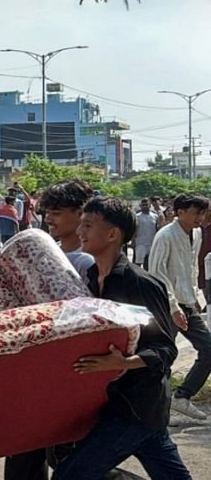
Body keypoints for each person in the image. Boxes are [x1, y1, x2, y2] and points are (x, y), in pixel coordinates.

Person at [52, 197, 192, 480]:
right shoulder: (91, 277)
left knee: (69, 475)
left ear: (113, 234)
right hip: (116, 403)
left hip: (136, 406)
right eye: (81, 224)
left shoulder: (139, 283)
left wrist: (123, 362)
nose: (80, 232)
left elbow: (165, 349)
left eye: (88, 226)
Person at [149, 193, 211, 421]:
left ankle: (182, 396)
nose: (200, 217)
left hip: (187, 303)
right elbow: (157, 273)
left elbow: (191, 267)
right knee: (163, 357)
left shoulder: (196, 233)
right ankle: (158, 410)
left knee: (208, 349)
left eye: (202, 213)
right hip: (166, 306)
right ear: (180, 212)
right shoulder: (165, 236)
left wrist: (193, 296)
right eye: (196, 212)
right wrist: (173, 306)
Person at [39, 180, 99, 278]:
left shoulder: (86, 262)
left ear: (80, 214)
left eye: (56, 213)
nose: (47, 219)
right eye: (47, 213)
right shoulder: (46, 253)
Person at [134, 199, 159, 269]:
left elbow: (157, 228)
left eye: (146, 205)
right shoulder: (137, 217)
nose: (145, 207)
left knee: (149, 262)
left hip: (152, 242)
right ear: (140, 206)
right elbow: (134, 230)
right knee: (138, 262)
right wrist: (133, 241)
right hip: (140, 243)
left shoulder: (155, 216)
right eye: (143, 205)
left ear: (150, 206)